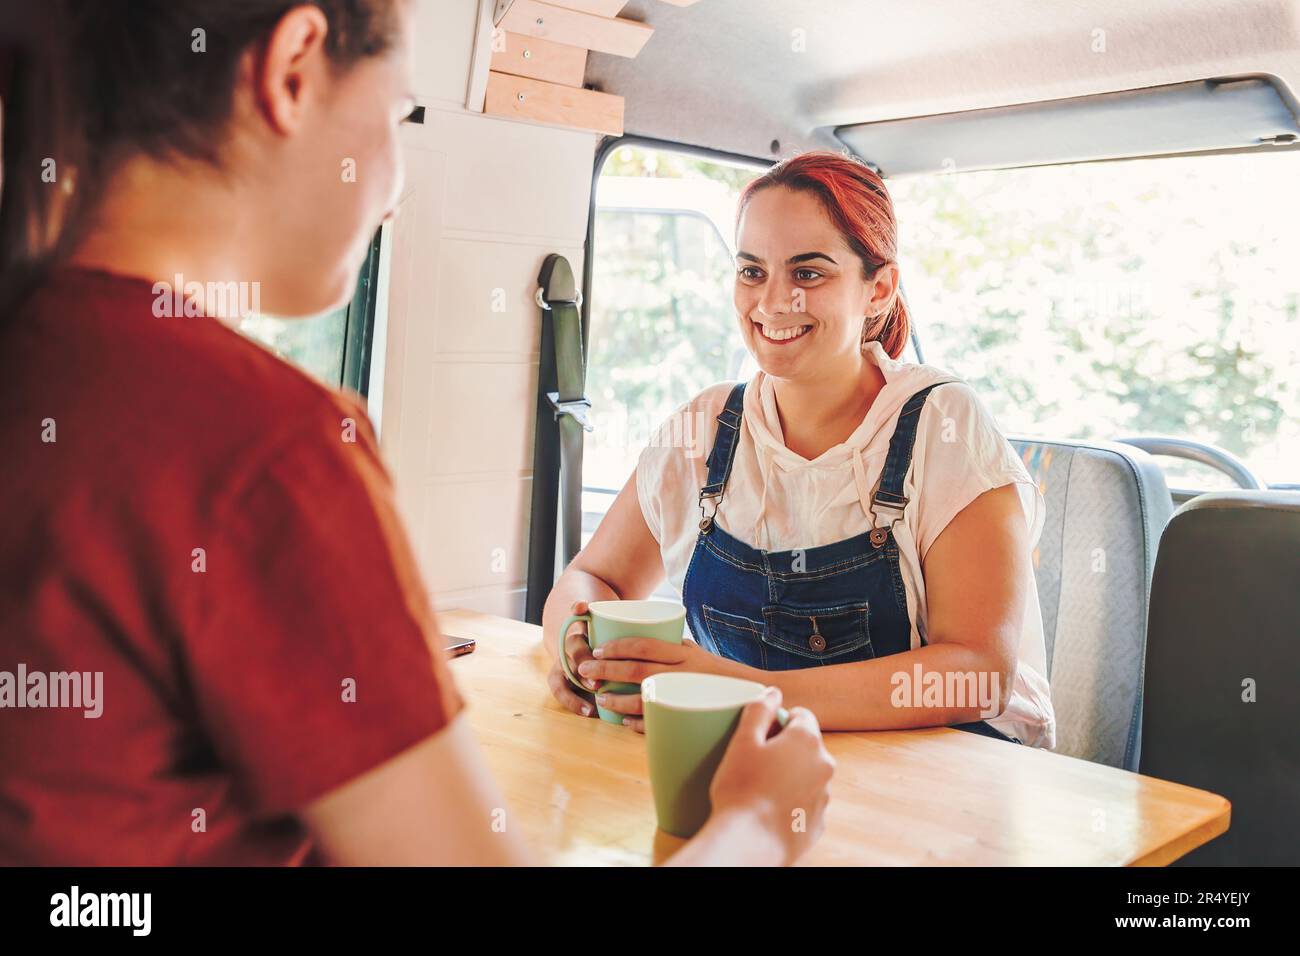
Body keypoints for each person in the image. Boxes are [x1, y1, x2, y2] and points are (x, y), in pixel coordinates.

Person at [0, 0, 833, 867]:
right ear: (294, 69)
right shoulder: (268, 449)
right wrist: (758, 826)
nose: (394, 189)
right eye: (399, 116)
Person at [545, 152, 1055, 748]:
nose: (771, 303)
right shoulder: (705, 428)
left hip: (942, 786)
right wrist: (574, 647)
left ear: (879, 289)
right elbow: (592, 578)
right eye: (752, 271)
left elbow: (976, 681)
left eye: (808, 273)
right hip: (754, 774)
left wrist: (752, 694)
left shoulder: (943, 425)